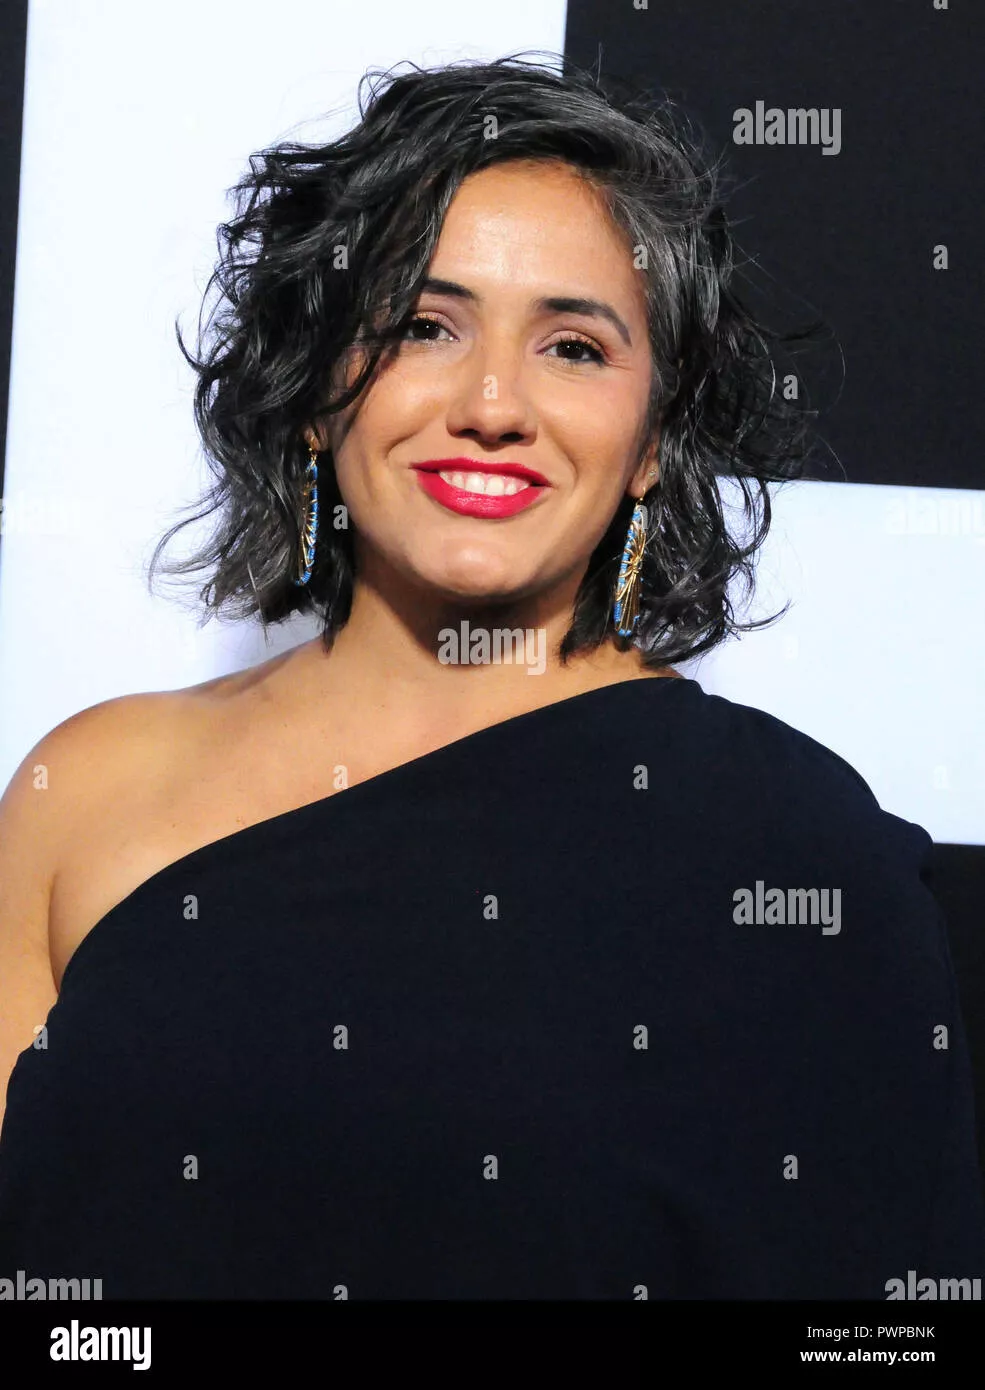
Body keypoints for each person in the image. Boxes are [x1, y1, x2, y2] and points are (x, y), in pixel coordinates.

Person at [0, 53, 982, 1300]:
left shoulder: (803, 854)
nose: (493, 403)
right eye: (423, 325)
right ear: (316, 391)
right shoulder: (87, 788)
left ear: (651, 440)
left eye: (573, 347)